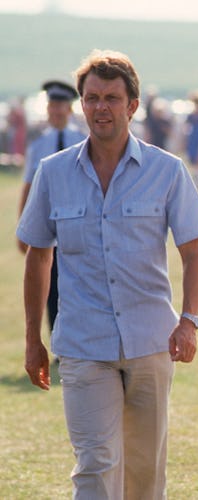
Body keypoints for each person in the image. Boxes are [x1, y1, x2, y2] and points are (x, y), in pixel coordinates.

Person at [17, 49, 198, 499]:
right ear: (81, 104)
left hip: (151, 343)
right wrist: (33, 339)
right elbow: (37, 258)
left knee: (144, 471)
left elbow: (193, 254)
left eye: (110, 98)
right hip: (83, 344)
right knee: (95, 463)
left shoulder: (167, 171)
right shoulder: (53, 172)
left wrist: (190, 320)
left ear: (132, 106)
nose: (100, 107)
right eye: (91, 98)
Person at [17, 80, 86, 334]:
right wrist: (23, 226)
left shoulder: (83, 141)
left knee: (78, 282)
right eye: (52, 106)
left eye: (61, 106)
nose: (56, 111)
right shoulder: (38, 146)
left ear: (69, 109)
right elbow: (28, 186)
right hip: (48, 224)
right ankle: (58, 338)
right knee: (49, 283)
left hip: (78, 223)